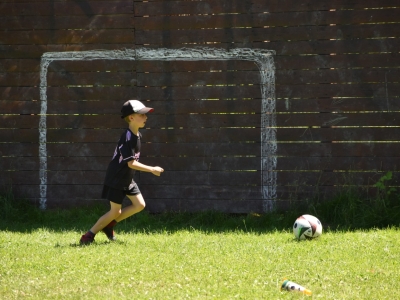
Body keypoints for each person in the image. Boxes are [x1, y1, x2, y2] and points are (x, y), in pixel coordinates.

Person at [80, 100, 164, 244]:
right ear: (131, 117)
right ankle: (88, 235)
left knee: (139, 205)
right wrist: (152, 169)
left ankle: (109, 226)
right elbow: (131, 163)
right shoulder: (127, 137)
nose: (146, 117)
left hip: (127, 178)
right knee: (115, 212)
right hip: (117, 178)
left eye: (145, 115)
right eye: (142, 115)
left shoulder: (137, 135)